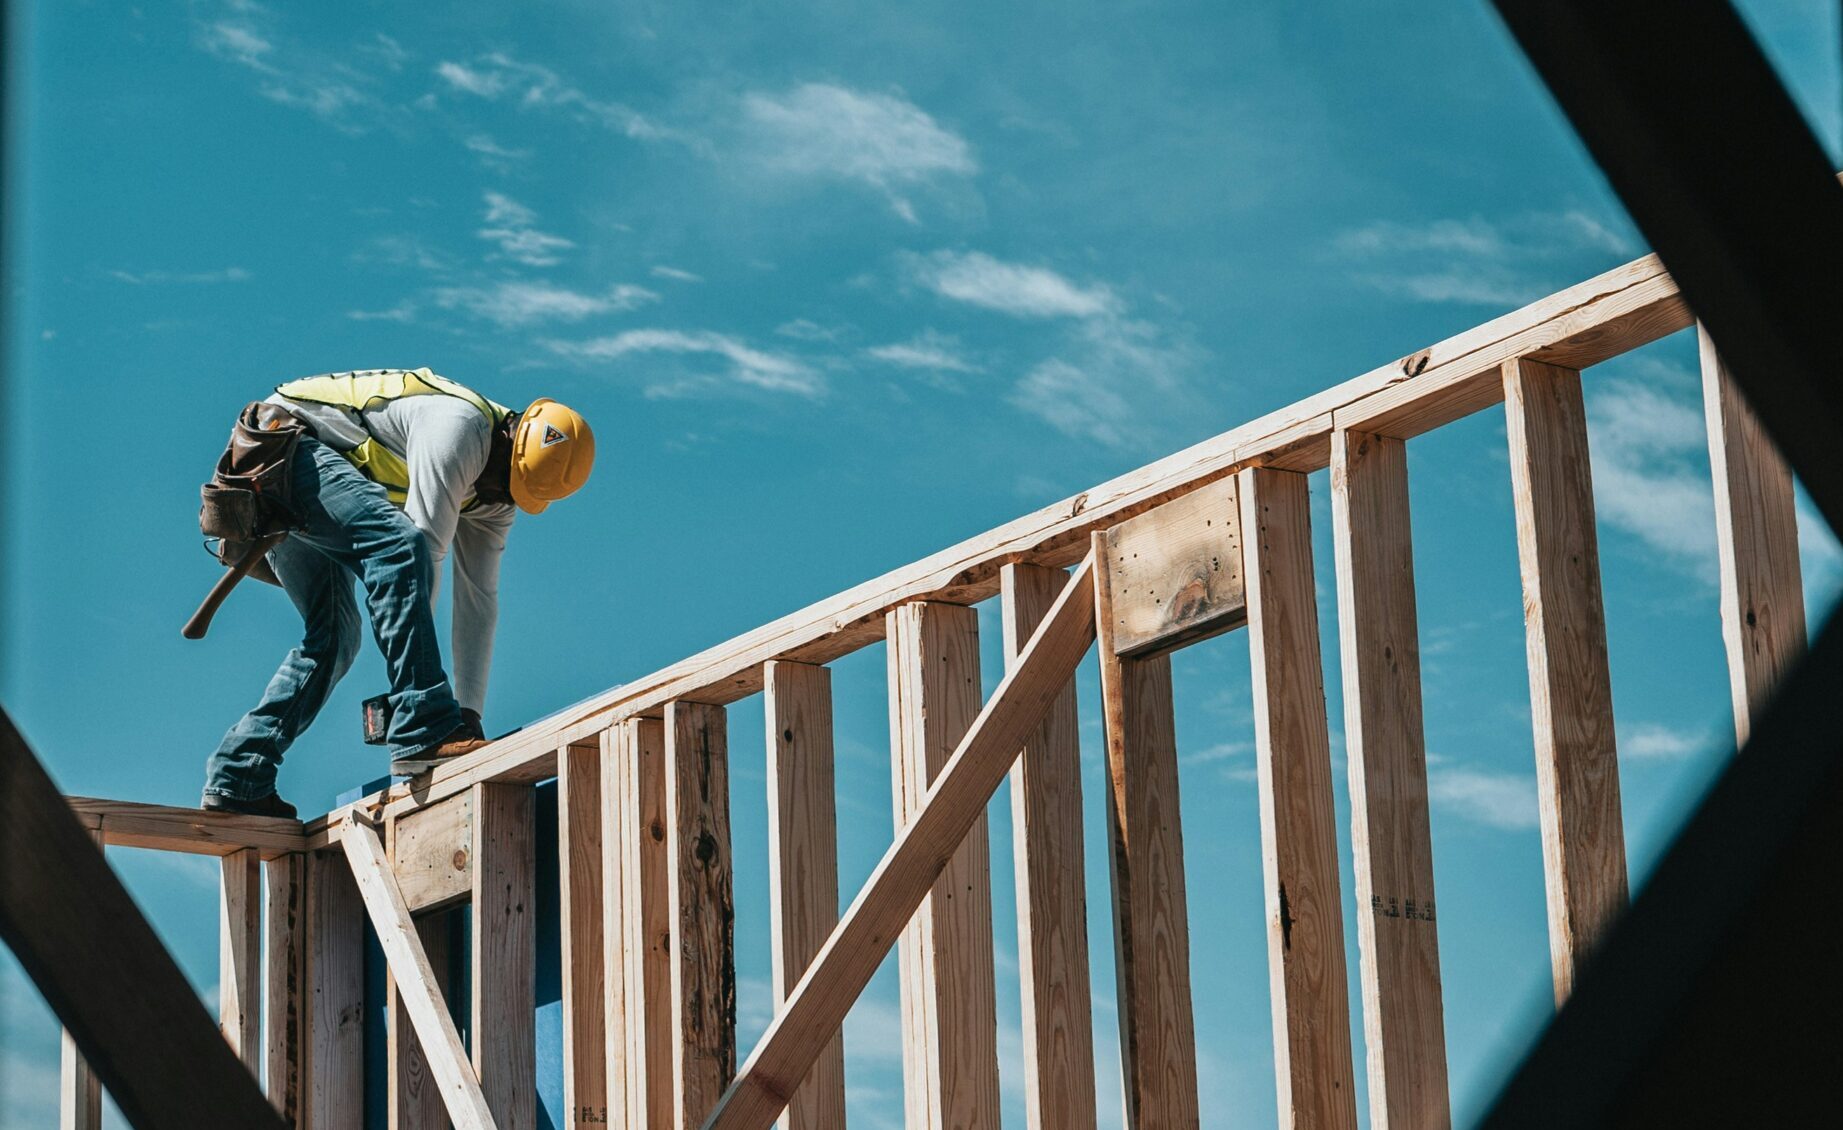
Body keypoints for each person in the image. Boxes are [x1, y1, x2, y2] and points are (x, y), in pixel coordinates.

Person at [200, 368, 594, 817]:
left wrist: (469, 715)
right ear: (509, 435)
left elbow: (478, 601)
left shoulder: (495, 497)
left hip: (303, 478)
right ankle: (422, 722)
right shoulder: (459, 428)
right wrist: (424, 712)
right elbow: (419, 551)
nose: (496, 496)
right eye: (502, 480)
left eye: (511, 492)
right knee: (399, 545)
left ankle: (239, 774)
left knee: (334, 639)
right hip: (280, 449)